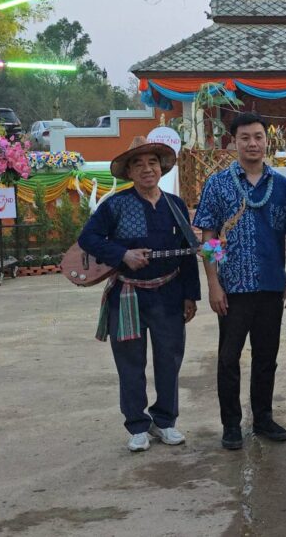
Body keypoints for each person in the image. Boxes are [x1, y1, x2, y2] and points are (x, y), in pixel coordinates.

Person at [78, 137, 200, 452]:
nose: (147, 169)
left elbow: (188, 252)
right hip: (127, 294)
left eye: (152, 162)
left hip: (170, 294)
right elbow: (88, 238)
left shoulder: (175, 206)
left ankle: (165, 421)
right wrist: (123, 254)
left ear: (161, 168)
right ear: (129, 172)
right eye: (139, 164)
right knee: (130, 363)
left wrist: (190, 295)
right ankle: (136, 425)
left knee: (169, 360)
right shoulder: (115, 205)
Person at [193, 113, 286, 450]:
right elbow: (209, 237)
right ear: (234, 142)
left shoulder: (282, 187)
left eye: (258, 137)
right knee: (229, 358)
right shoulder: (218, 184)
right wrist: (213, 283)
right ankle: (231, 424)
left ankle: (263, 418)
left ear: (267, 141)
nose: (253, 143)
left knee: (266, 357)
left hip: (271, 285)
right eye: (245, 137)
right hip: (233, 288)